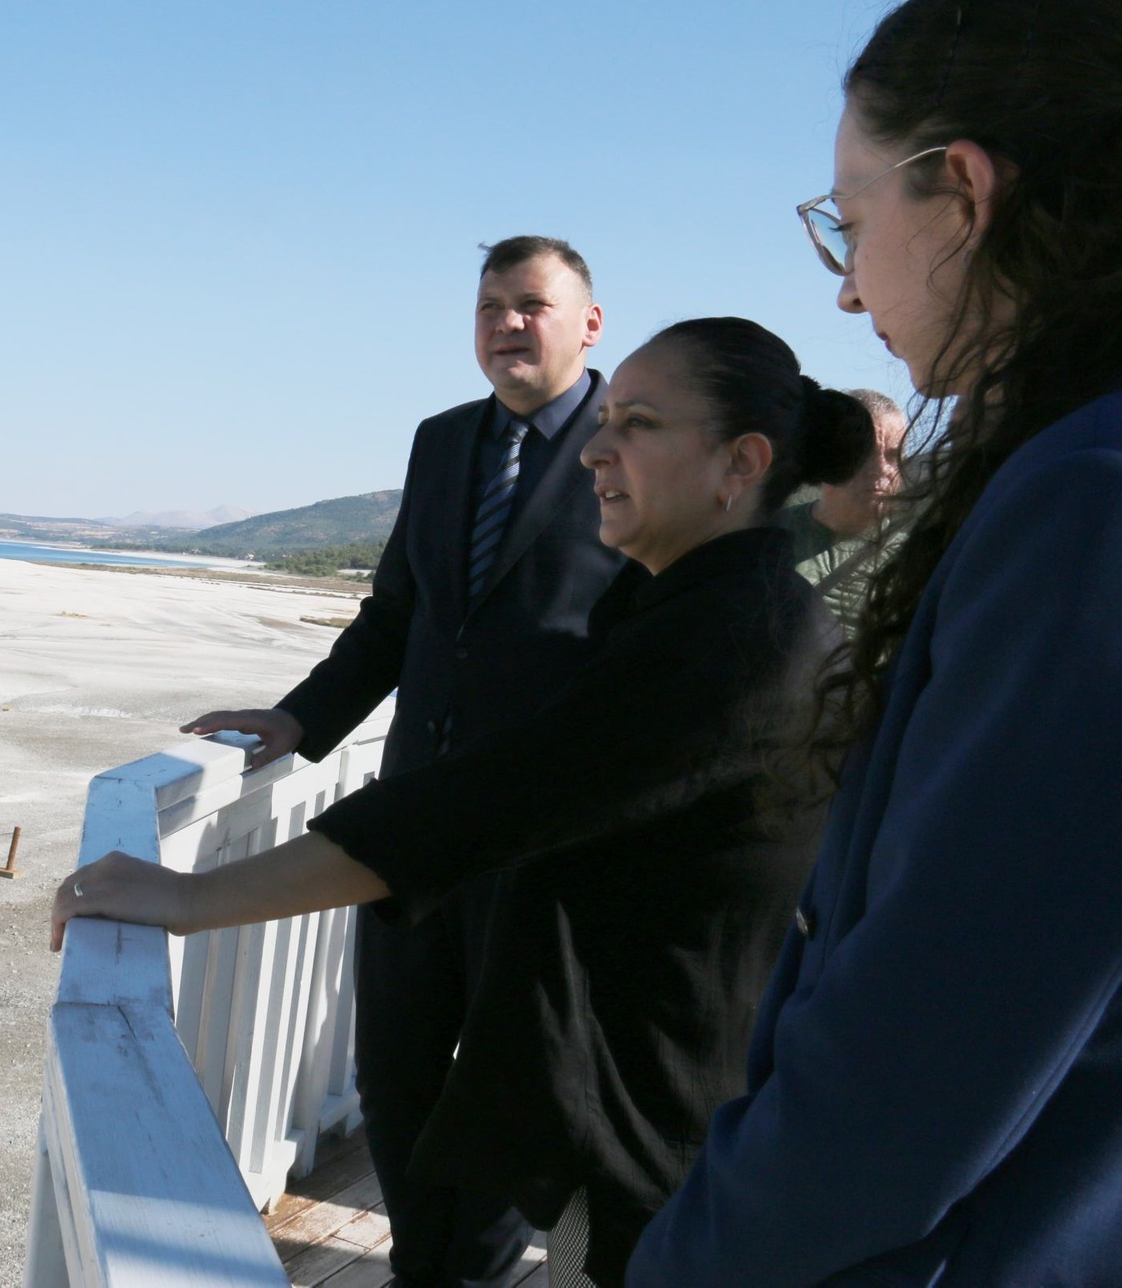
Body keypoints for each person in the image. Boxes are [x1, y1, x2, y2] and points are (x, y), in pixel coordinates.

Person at [58, 318, 876, 1286]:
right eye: (604, 421)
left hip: (665, 1154)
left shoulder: (735, 642)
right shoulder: (706, 610)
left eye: (638, 425)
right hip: (659, 1130)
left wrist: (186, 898)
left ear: (739, 464)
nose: (596, 453)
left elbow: (482, 803)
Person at [629, 0, 1122, 1284]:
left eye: (849, 223)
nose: (850, 288)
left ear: (965, 190)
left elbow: (908, 1081)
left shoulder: (1106, 495)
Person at [180, 236, 626, 1286]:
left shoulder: (634, 443)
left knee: (508, 1104)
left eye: (530, 305)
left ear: (588, 324)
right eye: (487, 306)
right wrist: (297, 720)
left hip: (541, 843)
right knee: (398, 1083)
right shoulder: (441, 441)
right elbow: (395, 619)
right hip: (409, 833)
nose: (505, 324)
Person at [777, 388, 908, 631]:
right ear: (831, 453)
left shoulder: (913, 560)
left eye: (892, 456)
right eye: (866, 453)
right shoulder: (768, 535)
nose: (880, 469)